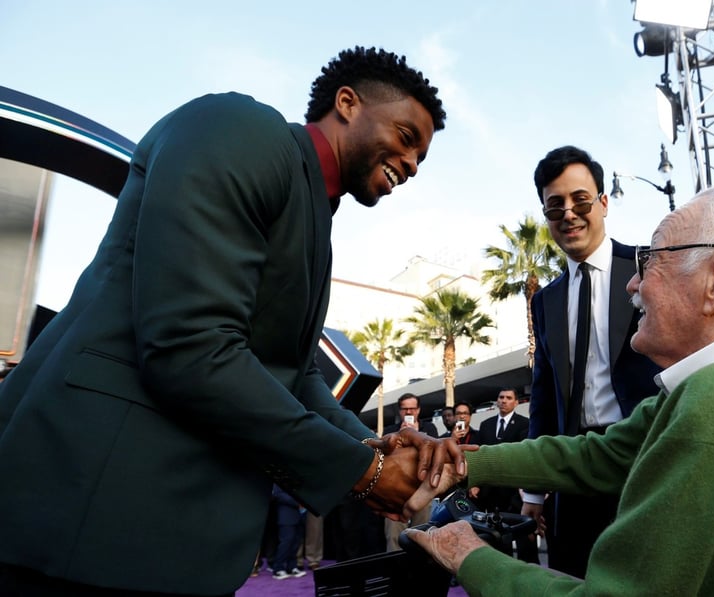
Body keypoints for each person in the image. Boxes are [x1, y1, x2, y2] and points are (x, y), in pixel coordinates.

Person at [0, 46, 462, 597]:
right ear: (346, 103)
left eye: (421, 158)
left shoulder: (317, 220)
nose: (411, 165)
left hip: (178, 542)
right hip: (89, 516)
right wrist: (361, 475)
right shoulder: (242, 128)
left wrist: (375, 447)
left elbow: (291, 376)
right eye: (407, 137)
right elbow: (189, 344)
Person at [406, 185, 714, 595]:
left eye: (652, 259)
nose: (632, 284)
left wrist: (465, 554)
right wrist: (463, 461)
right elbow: (601, 455)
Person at [523, 145, 661, 577]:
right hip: (575, 469)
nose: (569, 213)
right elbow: (544, 399)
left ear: (603, 203)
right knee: (577, 578)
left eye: (580, 200)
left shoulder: (650, 266)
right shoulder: (546, 300)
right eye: (555, 206)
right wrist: (532, 490)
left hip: (646, 459)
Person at [473, 387, 537, 563]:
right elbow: (477, 454)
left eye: (508, 398)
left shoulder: (526, 424)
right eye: (501, 397)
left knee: (524, 540)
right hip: (491, 494)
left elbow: (524, 455)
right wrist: (475, 482)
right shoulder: (486, 425)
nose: (504, 400)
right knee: (499, 540)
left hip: (515, 493)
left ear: (516, 402)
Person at [382, 393, 439, 552]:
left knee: (422, 534)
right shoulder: (390, 431)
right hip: (396, 491)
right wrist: (398, 438)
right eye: (405, 409)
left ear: (418, 410)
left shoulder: (429, 429)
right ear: (399, 411)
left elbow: (435, 455)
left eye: (412, 409)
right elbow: (384, 460)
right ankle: (395, 572)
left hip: (422, 489)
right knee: (393, 536)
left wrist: (418, 436)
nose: (409, 412)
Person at [270, 485, 307, 580]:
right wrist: (297, 502)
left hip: (300, 515)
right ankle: (278, 568)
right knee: (286, 542)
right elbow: (278, 494)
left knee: (296, 542)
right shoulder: (280, 476)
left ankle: (292, 567)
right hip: (286, 515)